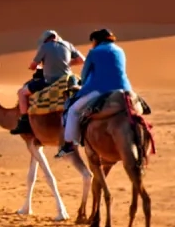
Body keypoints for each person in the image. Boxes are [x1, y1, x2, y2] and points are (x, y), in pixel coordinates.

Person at [59, 29, 131, 157]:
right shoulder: (120, 50)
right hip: (125, 90)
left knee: (73, 110)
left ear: (96, 40)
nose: (92, 44)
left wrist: (82, 85)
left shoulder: (94, 52)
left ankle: (69, 144)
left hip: (100, 90)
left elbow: (85, 74)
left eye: (92, 41)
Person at [9, 30, 84, 134]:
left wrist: (34, 66)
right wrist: (66, 64)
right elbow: (81, 60)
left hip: (50, 81)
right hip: (67, 79)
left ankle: (24, 122)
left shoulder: (44, 47)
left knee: (21, 93)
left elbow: (33, 65)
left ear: (45, 39)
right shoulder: (68, 45)